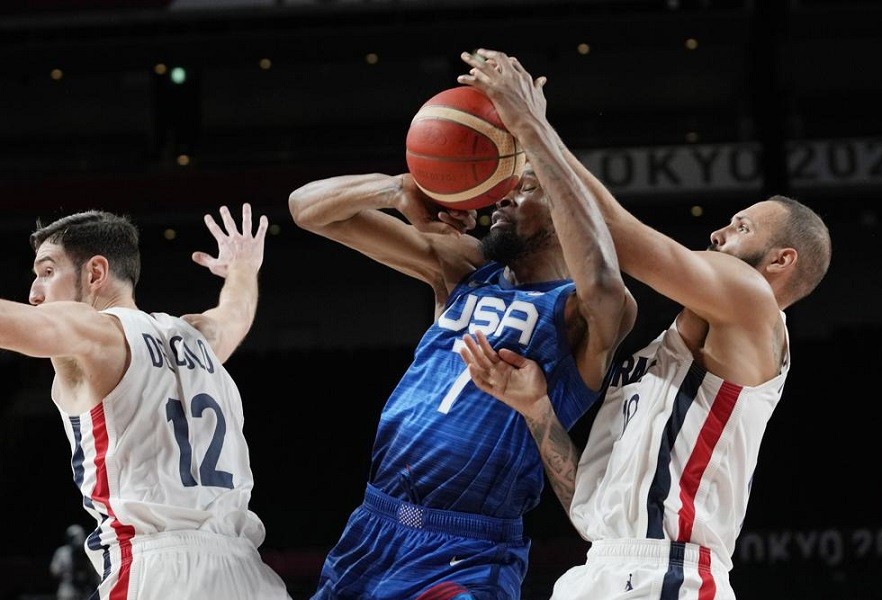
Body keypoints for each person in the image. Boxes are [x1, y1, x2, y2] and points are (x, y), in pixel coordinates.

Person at [458, 49, 833, 600]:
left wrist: (533, 126)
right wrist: (538, 411)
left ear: (781, 260)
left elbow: (620, 239)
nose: (717, 235)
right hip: (599, 571)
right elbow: (597, 513)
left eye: (741, 227)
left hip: (671, 576)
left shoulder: (754, 303)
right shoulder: (660, 354)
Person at [288, 51, 636, 599]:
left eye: (522, 189)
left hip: (468, 549)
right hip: (373, 525)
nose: (502, 197)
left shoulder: (583, 310)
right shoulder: (465, 270)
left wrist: (530, 125)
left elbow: (600, 273)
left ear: (564, 211)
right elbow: (306, 209)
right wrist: (398, 188)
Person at [4, 204, 292, 599]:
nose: (35, 293)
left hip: (156, 571)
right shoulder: (199, 339)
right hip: (247, 572)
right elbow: (235, 314)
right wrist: (243, 269)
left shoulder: (96, 332)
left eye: (48, 273)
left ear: (95, 273)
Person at [50, 523, 98, 600]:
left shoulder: (88, 552)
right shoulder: (62, 552)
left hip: (86, 589)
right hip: (68, 588)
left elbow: (94, 573)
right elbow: (55, 571)